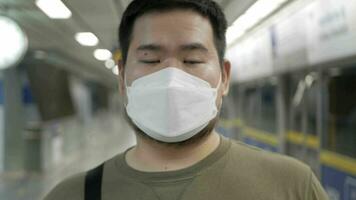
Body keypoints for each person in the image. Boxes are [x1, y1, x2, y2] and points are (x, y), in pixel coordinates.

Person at [44, 0, 329, 199]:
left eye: (192, 59)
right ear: (122, 79)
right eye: (151, 59)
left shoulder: (293, 187)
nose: (171, 78)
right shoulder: (72, 195)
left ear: (224, 78)